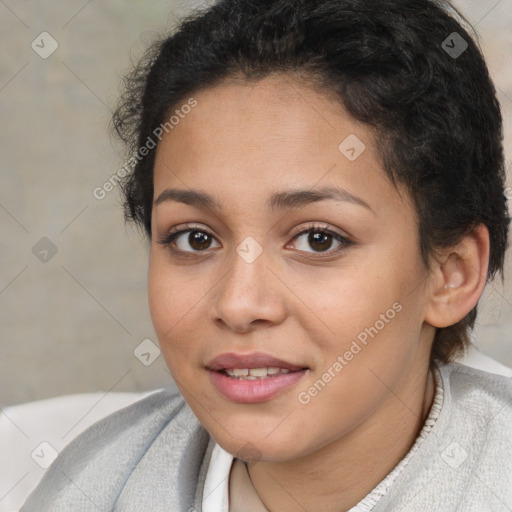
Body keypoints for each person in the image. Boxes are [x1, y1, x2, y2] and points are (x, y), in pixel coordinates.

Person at [22, 0, 512, 510]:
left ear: (451, 273)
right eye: (195, 238)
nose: (238, 304)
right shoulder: (92, 485)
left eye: (318, 239)